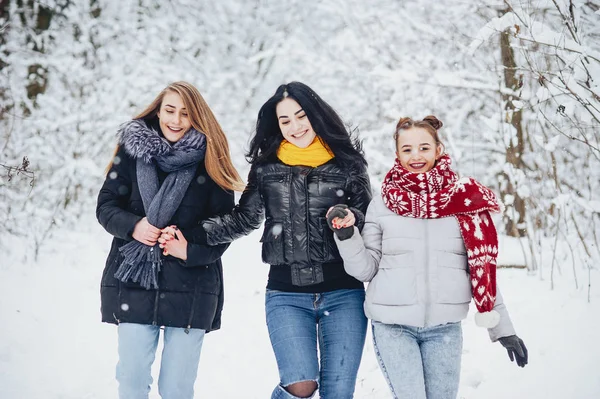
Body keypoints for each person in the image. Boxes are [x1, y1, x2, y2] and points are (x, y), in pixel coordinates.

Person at [161, 81, 372, 399]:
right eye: (285, 121)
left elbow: (369, 219)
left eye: (301, 116)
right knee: (300, 385)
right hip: (287, 295)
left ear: (316, 115)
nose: (295, 127)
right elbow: (243, 219)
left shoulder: (348, 165)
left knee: (339, 392)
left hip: (344, 293)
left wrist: (351, 218)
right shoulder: (267, 168)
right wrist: (188, 235)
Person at [327, 116, 528, 399]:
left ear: (439, 149)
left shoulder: (464, 202)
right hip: (393, 326)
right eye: (407, 149)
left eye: (423, 147)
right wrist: (348, 237)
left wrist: (502, 329)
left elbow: (482, 270)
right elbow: (365, 269)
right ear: (397, 154)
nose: (416, 156)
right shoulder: (383, 204)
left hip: (444, 330)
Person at [96, 81, 244, 399]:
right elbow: (106, 206)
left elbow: (224, 225)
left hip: (191, 286)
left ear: (197, 117)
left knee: (176, 388)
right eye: (169, 110)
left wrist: (187, 247)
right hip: (134, 281)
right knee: (132, 380)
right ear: (158, 111)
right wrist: (135, 226)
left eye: (185, 113)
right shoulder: (132, 151)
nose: (175, 120)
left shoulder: (211, 158)